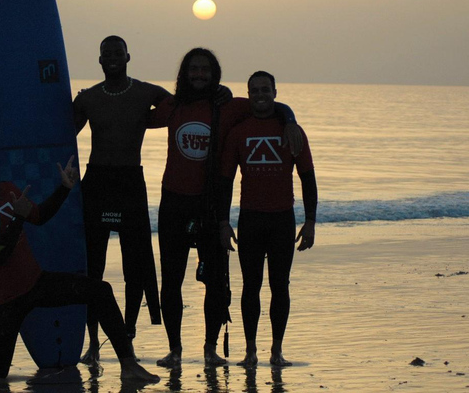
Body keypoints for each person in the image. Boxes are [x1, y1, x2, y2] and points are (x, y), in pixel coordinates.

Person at [0, 144, 159, 383]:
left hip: (36, 282)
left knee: (100, 291)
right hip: (7, 299)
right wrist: (17, 218)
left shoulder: (7, 191)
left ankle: (128, 365)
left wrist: (64, 188)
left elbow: (39, 216)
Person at [148, 49, 300, 368]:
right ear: (184, 73)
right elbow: (139, 116)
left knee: (216, 282)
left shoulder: (228, 107)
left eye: (205, 69)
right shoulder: (172, 106)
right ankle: (174, 349)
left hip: (209, 204)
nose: (199, 74)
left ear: (214, 73)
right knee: (171, 280)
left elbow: (272, 104)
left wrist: (290, 120)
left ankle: (209, 347)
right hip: (174, 201)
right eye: (194, 69)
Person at [73, 35, 168, 364]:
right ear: (99, 60)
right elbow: (61, 131)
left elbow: (181, 108)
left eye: (117, 52)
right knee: (92, 267)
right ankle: (93, 341)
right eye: (106, 53)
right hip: (97, 182)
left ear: (128, 56)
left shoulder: (147, 92)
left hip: (129, 182)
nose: (112, 57)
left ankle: (127, 332)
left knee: (136, 263)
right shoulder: (88, 99)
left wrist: (148, 121)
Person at [217, 71, 317, 368]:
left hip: (282, 220)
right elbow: (225, 182)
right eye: (254, 90)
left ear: (275, 92)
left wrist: (310, 221)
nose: (260, 95)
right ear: (248, 94)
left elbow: (308, 178)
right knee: (251, 286)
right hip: (250, 220)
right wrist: (224, 223)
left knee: (280, 286)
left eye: (265, 90)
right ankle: (250, 351)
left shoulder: (291, 131)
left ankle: (276, 350)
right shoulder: (239, 131)